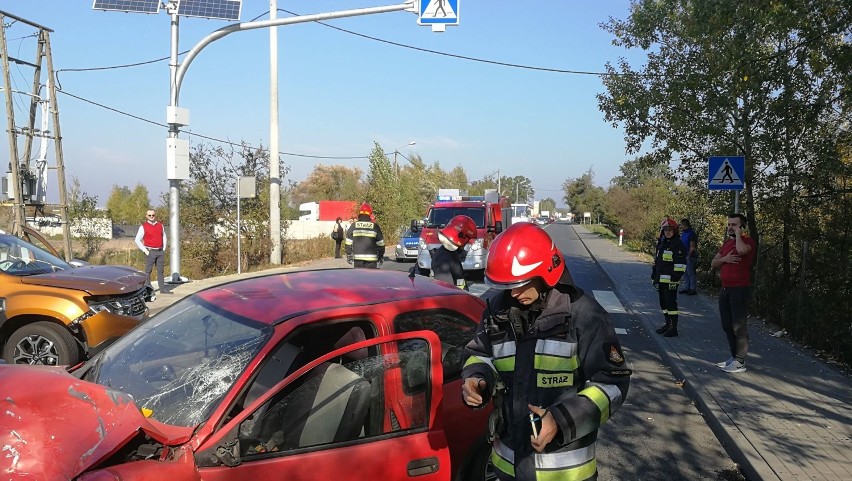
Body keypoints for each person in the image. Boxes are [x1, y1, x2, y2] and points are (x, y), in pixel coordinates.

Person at [461, 222, 631, 481]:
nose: (514, 292)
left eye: (521, 283)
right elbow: (481, 354)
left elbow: (613, 384)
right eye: (507, 285)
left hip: (565, 474)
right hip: (507, 467)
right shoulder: (497, 310)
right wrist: (476, 378)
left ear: (546, 273)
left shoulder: (585, 316)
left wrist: (562, 419)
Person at [710, 213, 756, 373]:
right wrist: (725, 259)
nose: (730, 227)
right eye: (729, 224)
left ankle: (740, 362)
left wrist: (738, 236)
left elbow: (742, 251)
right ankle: (733, 357)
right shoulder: (727, 244)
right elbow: (714, 262)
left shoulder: (748, 242)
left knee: (738, 326)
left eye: (734, 225)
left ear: (742, 227)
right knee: (727, 325)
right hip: (725, 289)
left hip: (740, 289)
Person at [652, 218, 687, 337]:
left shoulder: (678, 245)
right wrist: (654, 276)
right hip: (660, 280)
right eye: (665, 230)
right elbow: (657, 262)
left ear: (675, 231)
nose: (668, 232)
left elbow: (681, 265)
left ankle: (674, 328)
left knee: (671, 304)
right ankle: (667, 324)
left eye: (670, 230)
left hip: (671, 281)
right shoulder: (661, 243)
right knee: (663, 303)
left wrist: (675, 279)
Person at [430, 215, 477, 290]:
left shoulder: (450, 254)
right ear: (462, 238)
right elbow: (445, 292)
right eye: (467, 241)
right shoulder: (443, 259)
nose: (467, 244)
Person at [135, 208, 168, 301]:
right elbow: (137, 240)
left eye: (153, 215)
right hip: (150, 251)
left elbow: (164, 237)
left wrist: (163, 249)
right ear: (146, 216)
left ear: (155, 215)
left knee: (161, 271)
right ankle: (148, 289)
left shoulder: (160, 226)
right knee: (148, 271)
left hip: (160, 251)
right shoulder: (143, 226)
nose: (151, 217)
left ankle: (162, 289)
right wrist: (145, 251)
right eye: (149, 215)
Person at [344, 203, 385, 269]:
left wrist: (349, 255)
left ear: (360, 214)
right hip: (371, 261)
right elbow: (381, 244)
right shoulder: (375, 227)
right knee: (370, 279)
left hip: (358, 260)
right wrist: (380, 257)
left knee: (359, 278)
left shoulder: (354, 226)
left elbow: (348, 242)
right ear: (370, 214)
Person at [679, 218, 698, 295]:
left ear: (684, 225)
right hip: (683, 255)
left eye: (681, 225)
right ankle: (686, 288)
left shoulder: (691, 234)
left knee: (690, 272)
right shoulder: (684, 233)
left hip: (690, 255)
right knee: (684, 272)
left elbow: (692, 247)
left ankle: (693, 289)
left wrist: (689, 256)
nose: (681, 226)